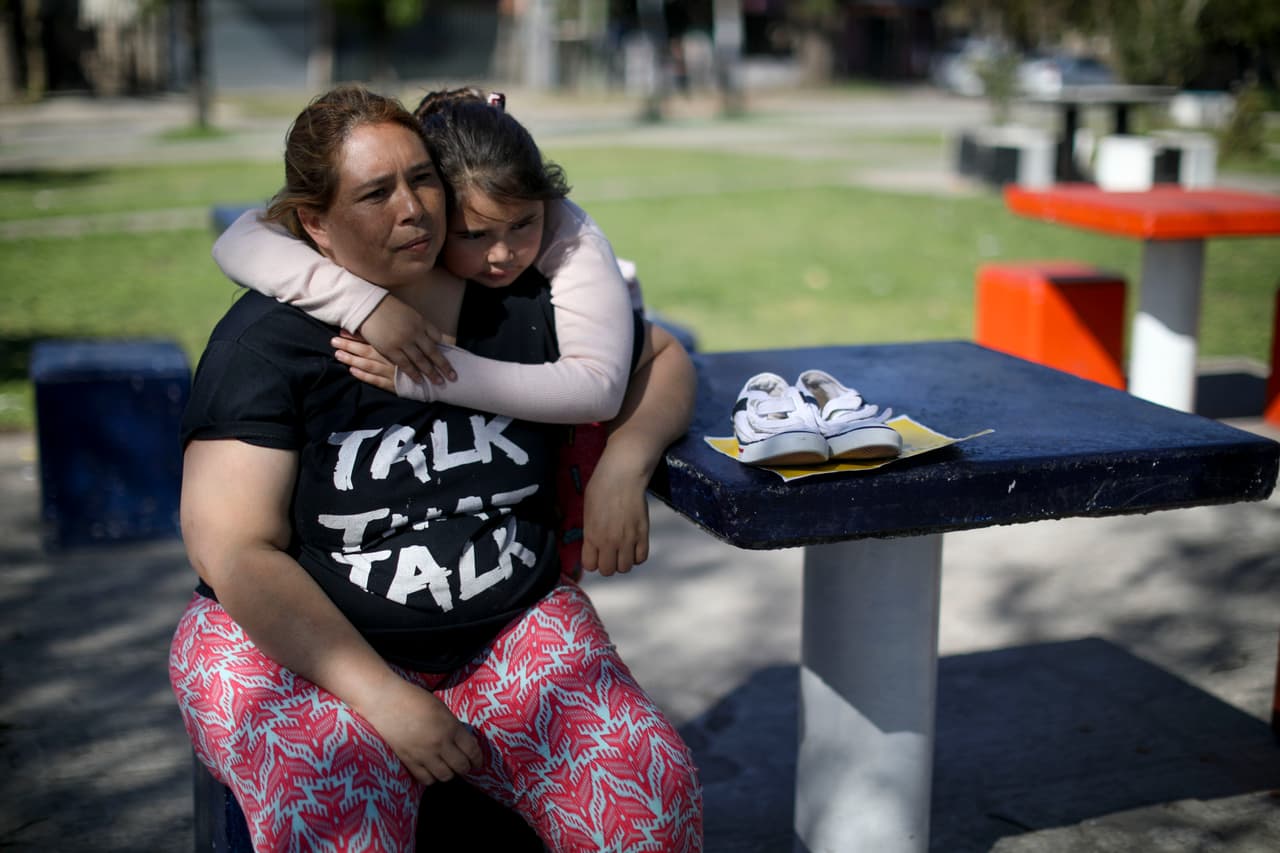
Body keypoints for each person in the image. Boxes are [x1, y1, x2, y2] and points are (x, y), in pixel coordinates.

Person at [169, 85, 701, 852]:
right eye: (375, 193)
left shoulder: (515, 302)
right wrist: (382, 697)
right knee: (345, 817)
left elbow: (662, 361)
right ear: (315, 223)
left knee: (649, 788)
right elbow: (231, 547)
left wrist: (626, 459)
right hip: (298, 647)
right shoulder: (267, 343)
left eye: (422, 179)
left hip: (506, 625)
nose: (412, 209)